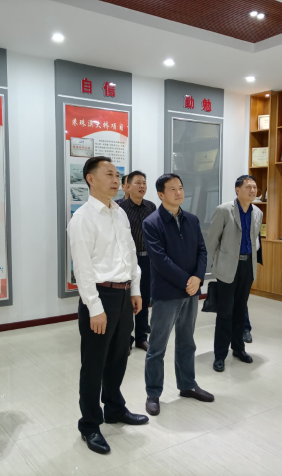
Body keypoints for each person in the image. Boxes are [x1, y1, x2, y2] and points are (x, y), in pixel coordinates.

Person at [68, 156, 148, 455]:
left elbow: (130, 253)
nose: (116, 180)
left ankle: (114, 407)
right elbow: (83, 269)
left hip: (124, 295)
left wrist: (135, 289)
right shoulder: (83, 218)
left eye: (117, 175)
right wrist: (95, 307)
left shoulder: (120, 213)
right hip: (100, 296)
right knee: (94, 364)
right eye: (109, 175)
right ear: (90, 179)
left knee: (118, 357)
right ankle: (89, 424)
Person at [142, 173, 213, 416]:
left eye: (181, 187)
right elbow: (160, 260)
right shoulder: (152, 223)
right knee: (157, 346)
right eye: (172, 189)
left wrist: (198, 278)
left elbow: (202, 251)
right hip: (166, 294)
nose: (179, 192)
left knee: (187, 342)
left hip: (191, 292)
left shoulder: (192, 220)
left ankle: (187, 385)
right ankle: (153, 393)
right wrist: (186, 281)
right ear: (161, 194)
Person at [208, 175, 263, 372]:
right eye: (248, 187)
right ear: (237, 190)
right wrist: (215, 265)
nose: (253, 190)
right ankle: (220, 355)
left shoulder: (257, 212)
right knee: (225, 312)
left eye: (255, 187)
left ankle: (238, 349)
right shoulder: (224, 210)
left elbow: (255, 240)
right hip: (227, 266)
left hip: (248, 266)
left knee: (241, 310)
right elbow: (212, 241)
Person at [117, 171, 156, 353]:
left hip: (147, 259)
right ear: (127, 186)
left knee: (144, 297)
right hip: (127, 260)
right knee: (127, 300)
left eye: (144, 183)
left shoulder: (151, 206)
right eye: (138, 183)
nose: (142, 186)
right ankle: (126, 338)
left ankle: (141, 337)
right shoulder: (119, 208)